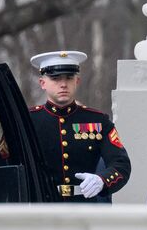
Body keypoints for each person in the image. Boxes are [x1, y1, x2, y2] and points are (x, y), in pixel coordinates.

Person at [28, 50, 131, 202]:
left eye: (69, 78)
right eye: (55, 78)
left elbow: (120, 164)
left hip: (83, 207)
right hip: (40, 207)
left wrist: (102, 180)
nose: (63, 84)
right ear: (43, 83)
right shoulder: (28, 120)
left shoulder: (98, 121)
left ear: (77, 81)